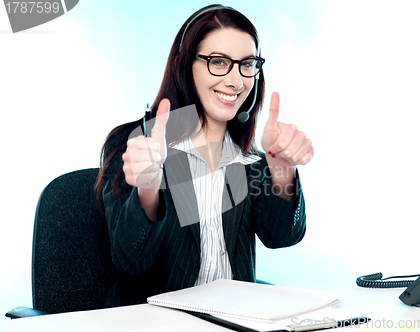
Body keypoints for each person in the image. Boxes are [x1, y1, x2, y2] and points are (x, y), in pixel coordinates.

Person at [95, 4, 314, 308]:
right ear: (185, 65)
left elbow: (281, 237)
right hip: (153, 324)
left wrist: (281, 171)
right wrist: (148, 189)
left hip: (236, 319)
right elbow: (132, 262)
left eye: (247, 64)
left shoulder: (249, 158)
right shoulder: (135, 144)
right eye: (219, 62)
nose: (236, 81)